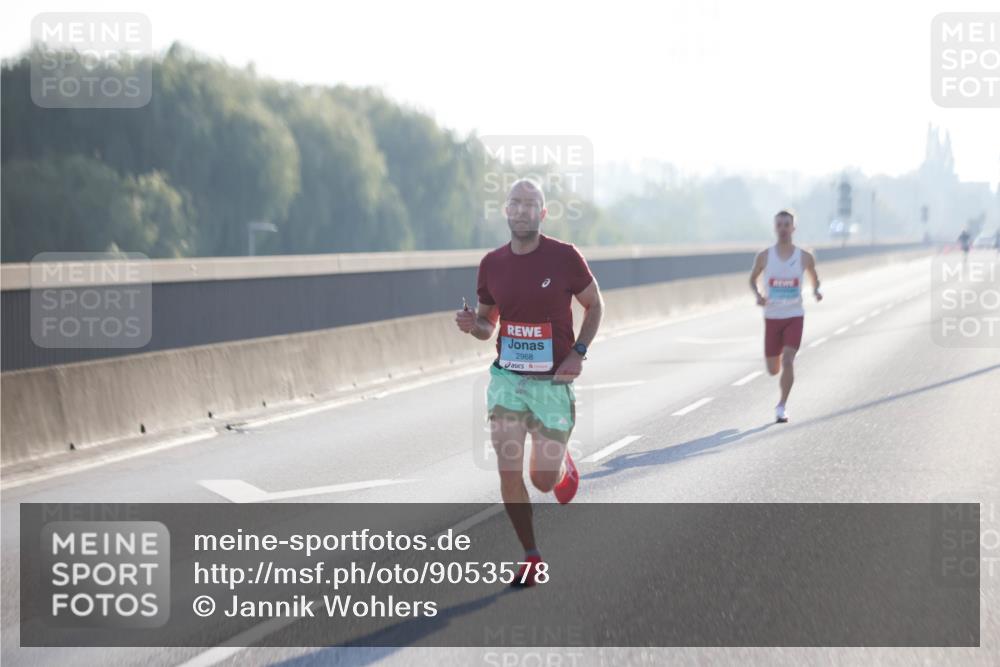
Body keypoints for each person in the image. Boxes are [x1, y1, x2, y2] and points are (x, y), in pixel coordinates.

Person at [455, 178, 604, 587]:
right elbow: (489, 324)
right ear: (506, 211)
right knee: (507, 467)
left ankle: (562, 467)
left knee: (541, 480)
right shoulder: (492, 264)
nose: (521, 210)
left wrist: (578, 352)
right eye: (515, 203)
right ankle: (531, 555)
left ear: (543, 213)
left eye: (530, 204)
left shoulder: (565, 257)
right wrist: (474, 326)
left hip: (552, 383)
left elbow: (595, 304)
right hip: (508, 380)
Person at [749, 210, 822, 423]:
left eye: (786, 225)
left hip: (794, 315)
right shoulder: (764, 256)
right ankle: (778, 360)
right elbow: (752, 279)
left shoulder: (804, 257)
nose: (783, 229)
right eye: (779, 225)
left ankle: (781, 405)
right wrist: (758, 295)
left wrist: (816, 291)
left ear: (793, 228)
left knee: (789, 359)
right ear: (775, 228)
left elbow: (815, 277)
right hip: (772, 317)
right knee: (773, 370)